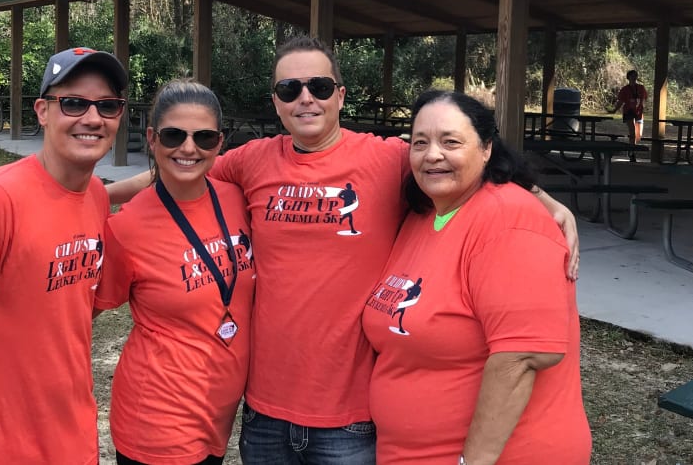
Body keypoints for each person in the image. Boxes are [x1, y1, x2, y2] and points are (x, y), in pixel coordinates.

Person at [106, 36, 579, 465]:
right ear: (276, 101)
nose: (305, 97)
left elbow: (462, 161)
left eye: (318, 85)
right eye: (290, 89)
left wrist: (545, 199)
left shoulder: (390, 157)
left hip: (350, 420)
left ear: (340, 95)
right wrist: (100, 194)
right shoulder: (252, 161)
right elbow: (183, 166)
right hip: (264, 412)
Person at [0, 47, 129, 464]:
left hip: (74, 438)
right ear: (42, 111)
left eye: (107, 106)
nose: (92, 118)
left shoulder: (94, 198)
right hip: (0, 446)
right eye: (72, 103)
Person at [362, 90, 591, 465]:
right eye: (420, 143)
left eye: (451, 141)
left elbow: (523, 356)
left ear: (486, 149)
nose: (433, 154)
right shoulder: (425, 214)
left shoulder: (511, 222)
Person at [94, 80, 255, 465]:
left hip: (218, 416)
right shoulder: (127, 227)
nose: (188, 148)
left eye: (203, 137)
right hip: (156, 421)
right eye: (173, 135)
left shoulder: (236, 198)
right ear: (152, 138)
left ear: (220, 142)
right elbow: (77, 316)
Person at [610, 69, 648, 161]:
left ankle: (631, 148)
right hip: (629, 112)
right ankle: (632, 153)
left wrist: (642, 107)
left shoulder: (641, 88)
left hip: (638, 112)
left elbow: (644, 99)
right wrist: (614, 110)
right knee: (632, 132)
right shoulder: (625, 89)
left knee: (638, 134)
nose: (634, 77)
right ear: (628, 77)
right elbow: (620, 101)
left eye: (635, 75)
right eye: (632, 76)